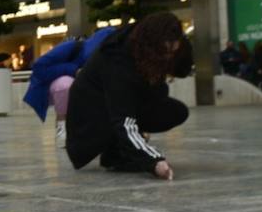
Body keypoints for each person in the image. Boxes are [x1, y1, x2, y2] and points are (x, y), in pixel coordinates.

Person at [66, 13, 194, 180]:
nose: (167, 57)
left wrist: (180, 53)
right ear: (152, 47)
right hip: (90, 120)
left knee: (174, 110)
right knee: (125, 120)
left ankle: (121, 150)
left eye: (172, 52)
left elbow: (181, 67)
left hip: (115, 106)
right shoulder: (118, 61)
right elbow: (124, 121)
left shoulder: (148, 45)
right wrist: (154, 161)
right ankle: (116, 152)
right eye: (164, 52)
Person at [23, 27, 114, 148]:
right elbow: (39, 67)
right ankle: (62, 124)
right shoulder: (71, 47)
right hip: (54, 84)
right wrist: (73, 70)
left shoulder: (109, 57)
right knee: (65, 85)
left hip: (82, 88)